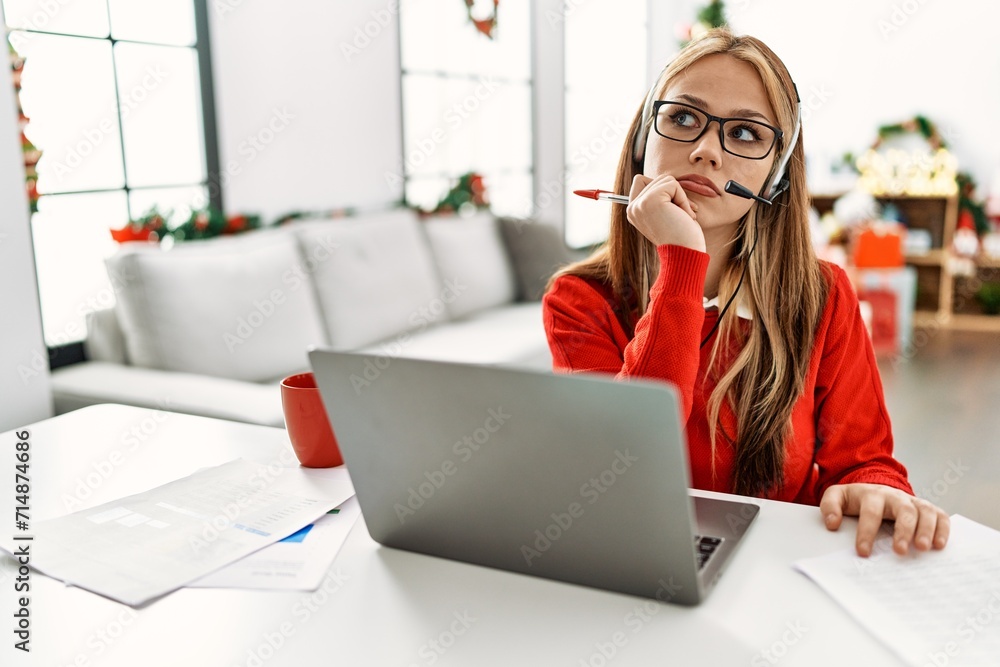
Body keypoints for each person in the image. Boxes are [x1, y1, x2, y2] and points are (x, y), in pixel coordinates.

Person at [542, 28, 949, 558]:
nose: (707, 151)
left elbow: (865, 463)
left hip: (782, 572)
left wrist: (877, 490)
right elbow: (623, 463)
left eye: (746, 133)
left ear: (776, 173)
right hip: (635, 556)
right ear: (646, 138)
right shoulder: (579, 300)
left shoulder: (822, 296)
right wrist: (683, 264)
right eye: (683, 118)